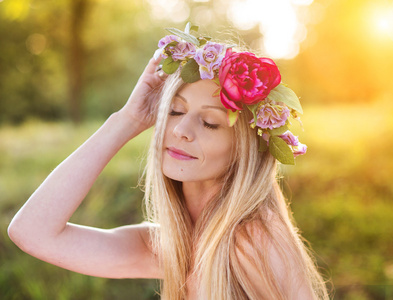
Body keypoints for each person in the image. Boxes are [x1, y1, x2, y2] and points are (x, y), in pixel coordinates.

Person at [8, 25, 329, 299]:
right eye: (174, 111)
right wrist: (128, 119)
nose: (180, 130)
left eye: (210, 123)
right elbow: (32, 232)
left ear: (243, 150)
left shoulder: (254, 237)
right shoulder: (171, 245)